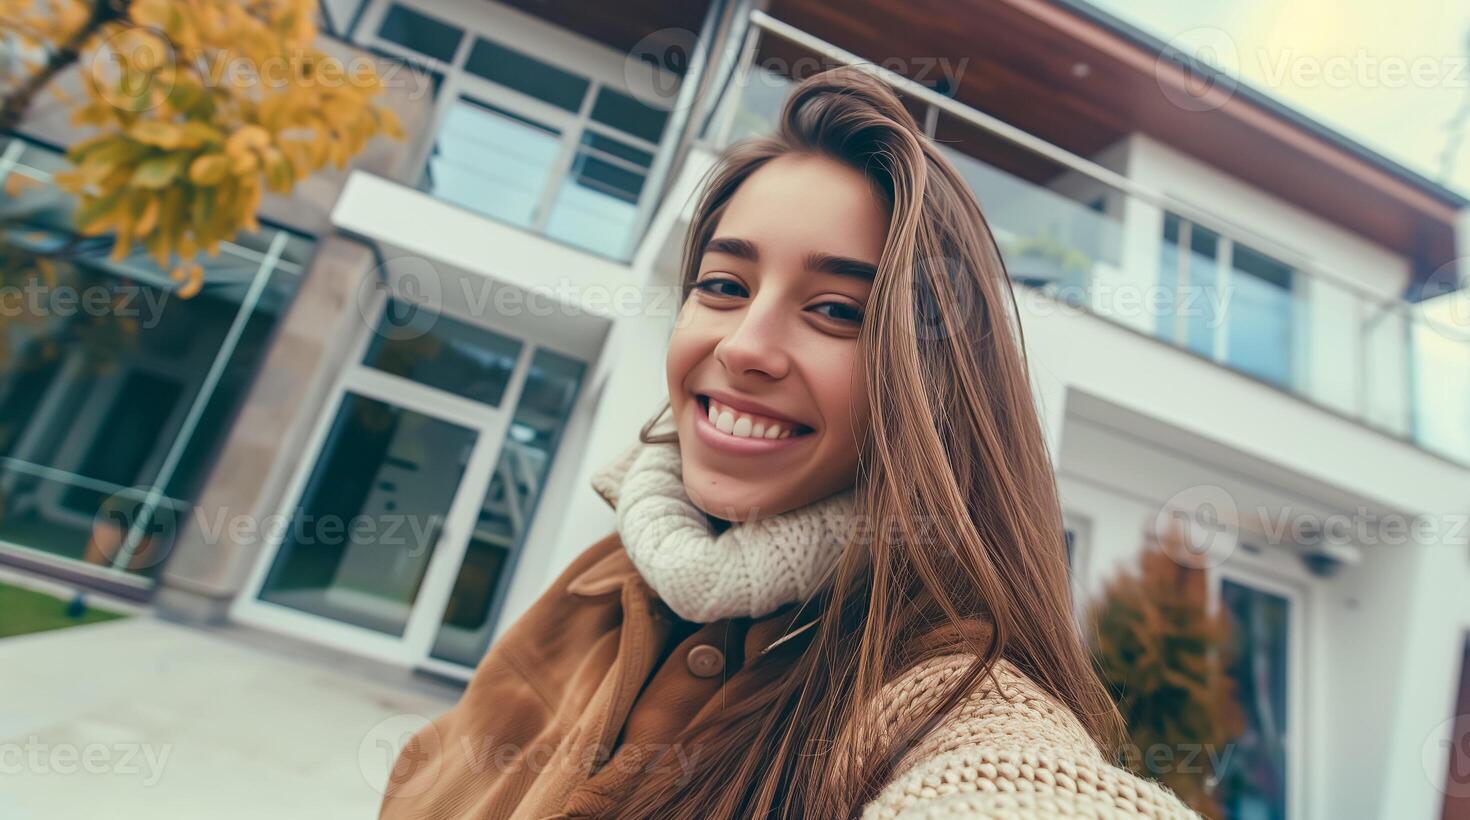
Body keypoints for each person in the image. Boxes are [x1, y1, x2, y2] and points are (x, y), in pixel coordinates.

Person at [377, 67, 1205, 819]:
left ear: (934, 388)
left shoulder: (942, 691)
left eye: (839, 310)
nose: (743, 346)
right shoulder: (602, 577)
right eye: (724, 286)